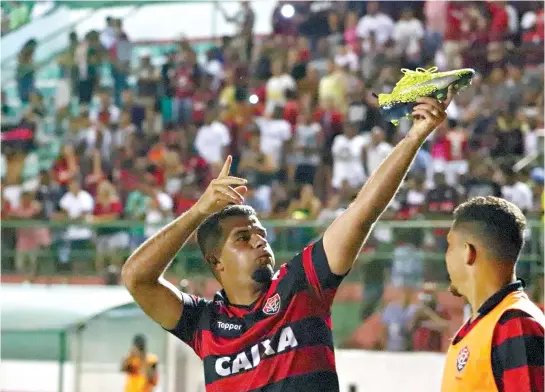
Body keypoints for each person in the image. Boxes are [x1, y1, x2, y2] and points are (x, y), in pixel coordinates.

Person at [122, 90, 454, 391]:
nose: (259, 241)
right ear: (216, 262)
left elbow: (361, 213)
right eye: (243, 237)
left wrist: (415, 136)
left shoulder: (301, 284)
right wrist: (199, 211)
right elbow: (136, 278)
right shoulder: (204, 324)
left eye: (261, 234)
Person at [441, 196, 545, 392]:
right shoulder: (485, 324)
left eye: (449, 245)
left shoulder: (515, 323)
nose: (445, 257)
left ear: (467, 252)